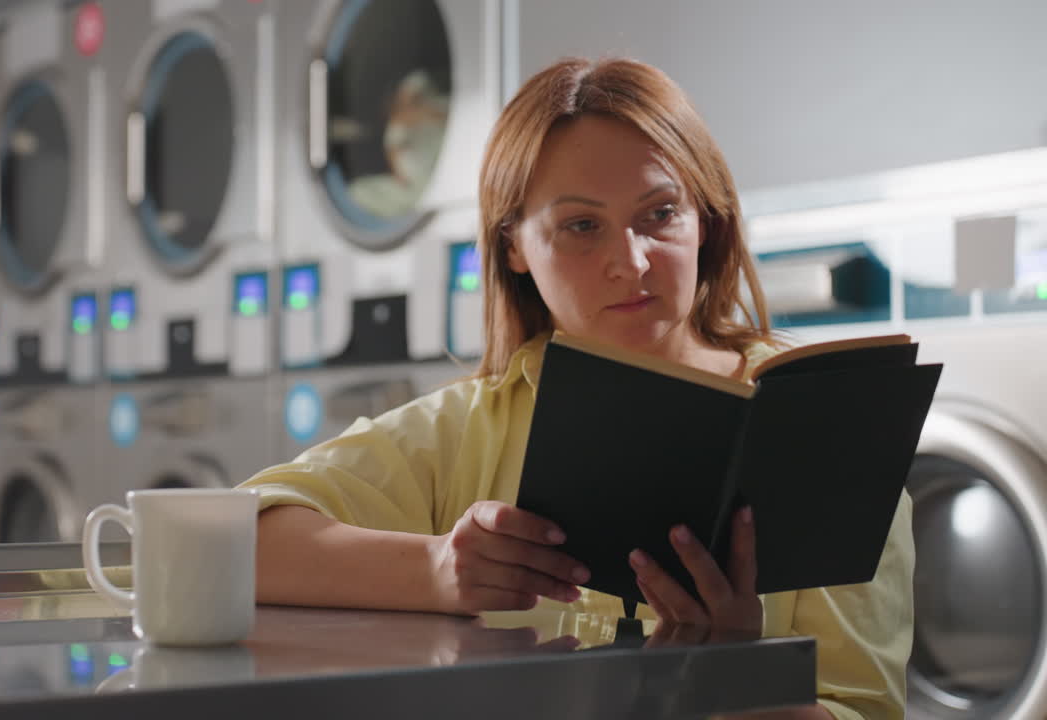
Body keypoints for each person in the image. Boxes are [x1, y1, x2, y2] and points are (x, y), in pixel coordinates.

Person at [239, 57, 914, 720]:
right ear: (514, 248)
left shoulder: (824, 427)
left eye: (660, 213)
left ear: (705, 220)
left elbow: (863, 709)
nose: (631, 262)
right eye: (581, 226)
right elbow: (228, 545)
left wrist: (732, 685)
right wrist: (438, 569)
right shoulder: (466, 428)